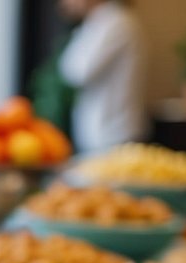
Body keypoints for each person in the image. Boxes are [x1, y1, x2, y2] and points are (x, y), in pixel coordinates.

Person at [57, 0, 147, 152]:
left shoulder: (117, 23)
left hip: (115, 136)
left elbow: (78, 72)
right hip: (101, 135)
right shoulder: (97, 23)